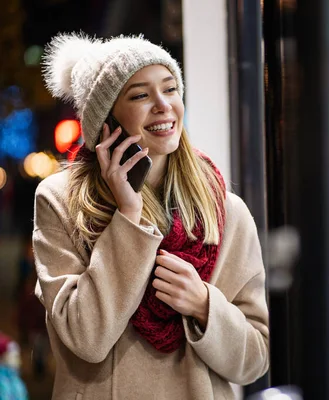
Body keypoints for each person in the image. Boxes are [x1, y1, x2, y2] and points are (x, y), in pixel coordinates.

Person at [33, 33, 269, 399]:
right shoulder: (60, 201)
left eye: (171, 89)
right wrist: (129, 215)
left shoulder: (224, 211)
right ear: (106, 120)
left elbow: (255, 360)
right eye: (141, 95)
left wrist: (205, 306)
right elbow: (86, 339)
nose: (163, 105)